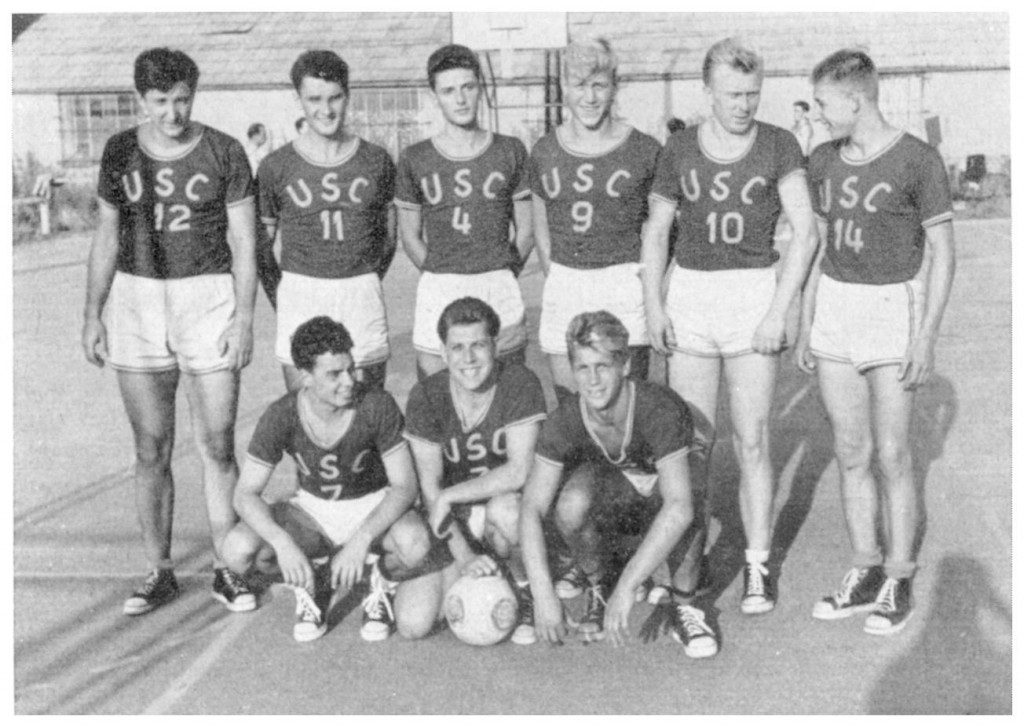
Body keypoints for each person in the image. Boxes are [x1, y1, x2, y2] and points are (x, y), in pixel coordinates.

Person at [640, 38, 818, 617]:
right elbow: (656, 232)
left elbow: (806, 232)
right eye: (732, 94)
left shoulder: (779, 143)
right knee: (693, 444)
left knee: (753, 437)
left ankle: (758, 563)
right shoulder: (680, 147)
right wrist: (655, 304)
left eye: (752, 93)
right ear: (708, 92)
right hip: (692, 291)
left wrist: (779, 310)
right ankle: (687, 567)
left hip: (750, 294)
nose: (743, 104)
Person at [81, 47, 258, 616]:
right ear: (141, 99)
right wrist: (93, 312)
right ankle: (158, 570)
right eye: (160, 101)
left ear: (194, 94)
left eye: (183, 99)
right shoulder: (119, 150)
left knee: (217, 443)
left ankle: (228, 568)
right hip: (137, 298)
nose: (173, 112)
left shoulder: (224, 151)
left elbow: (247, 245)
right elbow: (107, 235)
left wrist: (246, 319)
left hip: (206, 296)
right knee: (150, 446)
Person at [798, 49, 955, 635]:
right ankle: (865, 567)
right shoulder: (822, 161)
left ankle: (898, 575)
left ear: (855, 100)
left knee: (893, 454)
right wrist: (808, 318)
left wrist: (926, 336)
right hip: (837, 308)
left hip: (892, 307)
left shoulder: (917, 159)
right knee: (851, 451)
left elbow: (943, 254)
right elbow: (814, 246)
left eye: (823, 103)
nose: (817, 115)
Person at [222, 317, 439, 642]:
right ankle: (314, 581)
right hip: (313, 511)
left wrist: (363, 539)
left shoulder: (376, 405)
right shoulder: (283, 413)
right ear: (305, 377)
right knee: (238, 551)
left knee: (416, 545)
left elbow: (405, 487)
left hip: (371, 506)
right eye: (334, 374)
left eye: (350, 369)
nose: (349, 381)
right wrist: (282, 544)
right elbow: (245, 495)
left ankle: (380, 577)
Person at [519, 311, 718, 658]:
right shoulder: (565, 419)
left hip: (671, 483)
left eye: (603, 367)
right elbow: (531, 508)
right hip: (630, 485)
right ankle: (600, 582)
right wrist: (542, 593)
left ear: (624, 365)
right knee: (572, 502)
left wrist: (630, 587)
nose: (593, 380)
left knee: (691, 492)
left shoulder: (659, 408)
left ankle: (685, 603)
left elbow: (680, 506)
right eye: (582, 368)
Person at [398, 297, 547, 644]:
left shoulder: (519, 382)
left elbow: (520, 471)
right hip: (453, 525)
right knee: (412, 624)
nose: (468, 359)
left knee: (508, 510)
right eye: (458, 348)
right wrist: (464, 555)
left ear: (495, 346)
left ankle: (523, 588)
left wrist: (452, 495)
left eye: (478, 345)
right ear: (444, 352)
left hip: (502, 512)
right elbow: (430, 489)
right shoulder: (426, 395)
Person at [529, 38, 661, 403]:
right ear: (563, 88)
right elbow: (541, 227)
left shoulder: (645, 149)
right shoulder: (544, 150)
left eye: (599, 85)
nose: (589, 97)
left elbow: (660, 230)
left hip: (623, 281)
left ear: (614, 87)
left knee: (628, 406)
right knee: (571, 407)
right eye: (579, 85)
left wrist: (647, 290)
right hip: (566, 279)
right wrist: (557, 276)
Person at [256, 50, 396, 392]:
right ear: (298, 100)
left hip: (360, 289)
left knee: (366, 408)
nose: (326, 110)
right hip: (301, 290)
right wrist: (285, 295)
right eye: (314, 99)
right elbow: (262, 248)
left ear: (347, 95)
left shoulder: (376, 160)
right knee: (305, 409)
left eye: (335, 98)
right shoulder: (276, 165)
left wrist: (365, 277)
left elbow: (389, 237)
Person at [395, 44, 533, 379]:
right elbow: (409, 235)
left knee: (506, 384)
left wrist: (502, 269)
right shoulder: (416, 157)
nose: (460, 99)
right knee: (436, 388)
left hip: (496, 279)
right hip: (440, 282)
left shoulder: (510, 149)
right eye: (448, 91)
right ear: (435, 96)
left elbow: (526, 230)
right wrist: (438, 269)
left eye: (468, 87)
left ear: (480, 89)